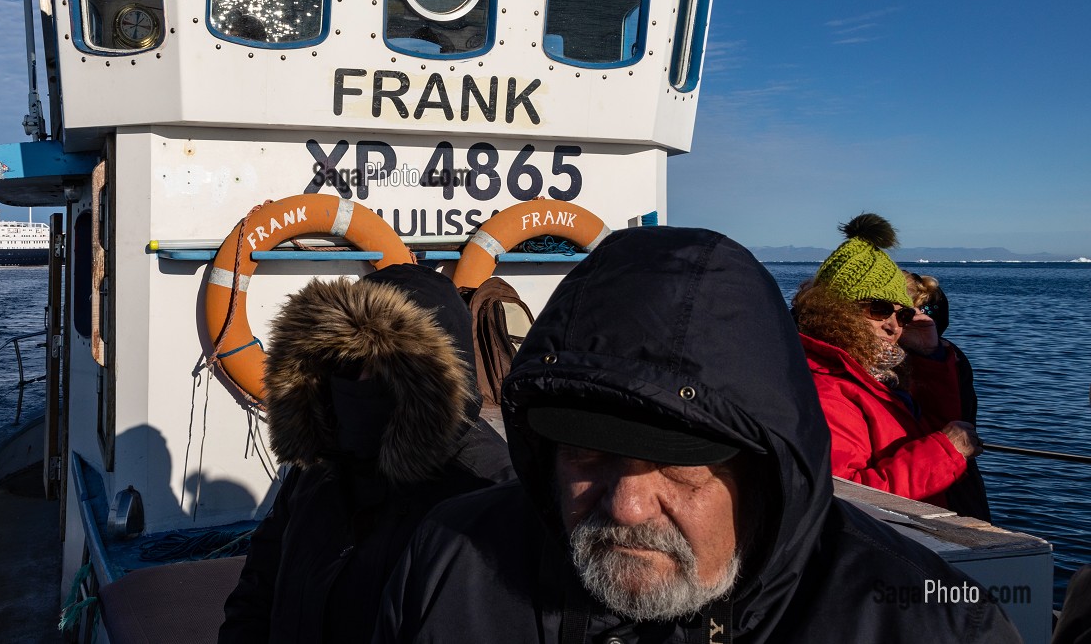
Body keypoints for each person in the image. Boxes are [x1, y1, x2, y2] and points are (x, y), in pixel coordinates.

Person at [374, 226, 1019, 642]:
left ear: (767, 471)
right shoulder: (450, 564)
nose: (626, 505)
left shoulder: (929, 622)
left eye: (681, 462)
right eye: (585, 448)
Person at [218, 263, 512, 644]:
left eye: (387, 366)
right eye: (346, 363)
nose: (358, 383)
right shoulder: (318, 468)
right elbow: (258, 590)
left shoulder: (486, 491)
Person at [792, 214, 980, 508]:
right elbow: (846, 498)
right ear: (834, 309)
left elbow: (935, 431)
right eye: (879, 310)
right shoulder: (826, 387)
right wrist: (945, 452)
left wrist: (929, 355)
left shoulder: (875, 374)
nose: (894, 325)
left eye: (902, 315)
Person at [904, 271, 991, 519]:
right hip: (943, 469)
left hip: (945, 471)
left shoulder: (946, 359)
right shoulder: (949, 356)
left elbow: (950, 417)